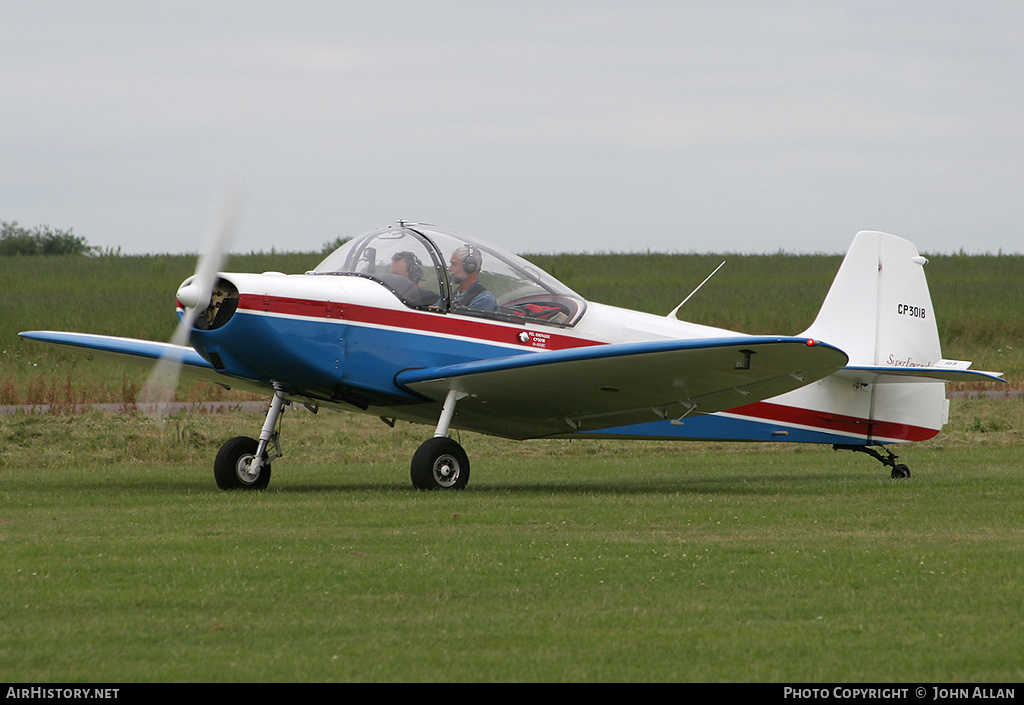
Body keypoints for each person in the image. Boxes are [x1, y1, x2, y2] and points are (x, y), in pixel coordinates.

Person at [448, 244, 498, 313]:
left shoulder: (484, 300)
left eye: (454, 264)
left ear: (469, 266)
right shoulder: (454, 296)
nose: (449, 269)